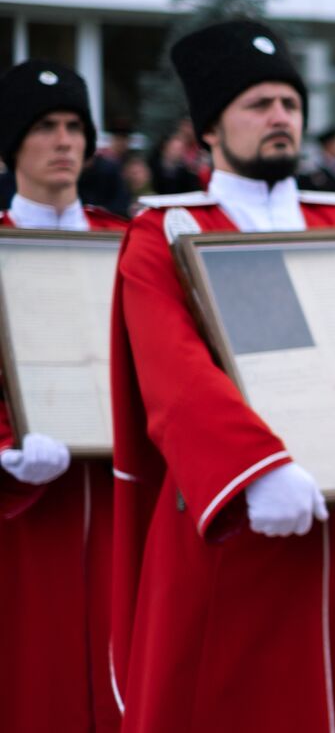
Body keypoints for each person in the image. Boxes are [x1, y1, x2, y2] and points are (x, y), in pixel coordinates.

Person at [107, 20, 335, 733]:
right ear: (209, 130)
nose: (280, 119)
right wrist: (255, 469)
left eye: (290, 105)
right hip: (241, 518)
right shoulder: (163, 235)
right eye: (258, 105)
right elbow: (173, 372)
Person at [0, 60, 127, 733]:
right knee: (32, 679)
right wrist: (4, 449)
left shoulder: (128, 244)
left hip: (117, 497)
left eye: (75, 127)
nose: (64, 142)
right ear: (13, 144)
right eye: (45, 127)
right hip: (27, 512)